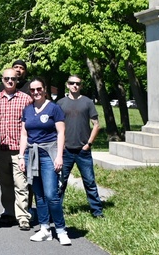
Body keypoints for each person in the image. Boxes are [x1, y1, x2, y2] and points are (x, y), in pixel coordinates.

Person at [19, 78, 70, 246]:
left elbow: (61, 133)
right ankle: (44, 229)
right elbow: (24, 135)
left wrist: (59, 156)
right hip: (31, 155)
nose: (35, 92)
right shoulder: (27, 110)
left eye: (38, 89)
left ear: (44, 89)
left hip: (49, 154)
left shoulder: (54, 108)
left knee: (51, 195)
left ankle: (61, 230)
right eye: (32, 90)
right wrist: (21, 156)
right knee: (39, 195)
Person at [57, 76, 104, 219]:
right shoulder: (60, 103)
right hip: (65, 150)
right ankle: (56, 211)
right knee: (60, 183)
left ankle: (97, 211)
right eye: (72, 83)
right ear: (67, 85)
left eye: (77, 84)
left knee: (89, 181)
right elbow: (56, 126)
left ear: (81, 86)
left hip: (83, 150)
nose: (75, 86)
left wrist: (89, 144)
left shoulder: (87, 102)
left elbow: (96, 124)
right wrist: (60, 145)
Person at [0, 65, 33, 230]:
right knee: (5, 184)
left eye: (13, 79)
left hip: (19, 150)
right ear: (2, 80)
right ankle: (9, 212)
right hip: (1, 149)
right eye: (6, 79)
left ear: (17, 80)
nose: (10, 81)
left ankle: (23, 216)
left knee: (21, 184)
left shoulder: (26, 99)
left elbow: (31, 124)